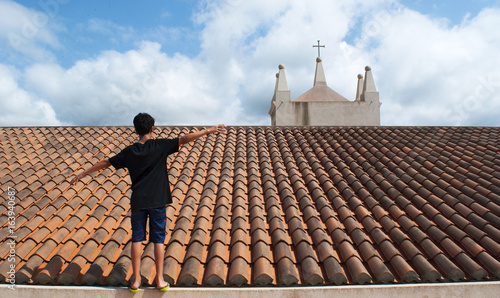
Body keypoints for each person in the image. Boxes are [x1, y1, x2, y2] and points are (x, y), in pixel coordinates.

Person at [70, 113, 226, 292]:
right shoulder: (159, 145)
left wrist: (82, 173)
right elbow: (183, 139)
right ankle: (159, 280)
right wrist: (209, 130)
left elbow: (106, 162)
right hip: (157, 200)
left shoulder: (130, 152)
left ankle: (136, 280)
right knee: (158, 240)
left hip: (138, 201)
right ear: (152, 128)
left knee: (137, 239)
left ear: (136, 130)